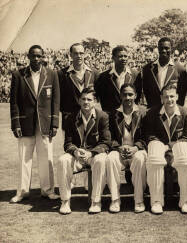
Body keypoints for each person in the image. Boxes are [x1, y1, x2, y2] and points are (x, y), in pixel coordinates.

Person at [10, 45, 60, 203]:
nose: (36, 59)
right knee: (25, 157)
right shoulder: (19, 75)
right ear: (28, 56)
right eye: (33, 56)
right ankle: (23, 191)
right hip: (25, 123)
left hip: (45, 122)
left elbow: (56, 100)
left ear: (43, 56)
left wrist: (54, 123)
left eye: (39, 56)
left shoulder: (51, 74)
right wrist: (16, 123)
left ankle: (48, 190)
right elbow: (14, 102)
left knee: (46, 156)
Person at [57, 88, 111, 214]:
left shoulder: (103, 116)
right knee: (62, 160)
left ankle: (96, 201)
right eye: (83, 99)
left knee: (101, 160)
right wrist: (75, 151)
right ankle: (65, 201)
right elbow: (68, 143)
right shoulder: (71, 117)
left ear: (95, 101)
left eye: (89, 99)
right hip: (77, 156)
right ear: (79, 101)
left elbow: (106, 142)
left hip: (93, 155)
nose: (86, 102)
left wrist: (91, 153)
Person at [144, 84, 187, 214]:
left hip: (177, 147)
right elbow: (150, 136)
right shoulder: (152, 113)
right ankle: (156, 201)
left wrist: (170, 146)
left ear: (177, 96)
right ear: (161, 98)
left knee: (184, 151)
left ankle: (186, 201)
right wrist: (163, 147)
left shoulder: (185, 112)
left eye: (172, 96)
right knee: (154, 151)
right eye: (166, 97)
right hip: (160, 147)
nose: (169, 99)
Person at [106, 83, 147, 213]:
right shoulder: (113, 114)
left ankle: (139, 200)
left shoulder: (143, 113)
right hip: (119, 151)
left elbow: (148, 136)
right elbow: (109, 137)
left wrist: (136, 147)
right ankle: (115, 199)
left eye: (130, 94)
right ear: (120, 96)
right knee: (111, 158)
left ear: (135, 95)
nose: (128, 97)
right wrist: (118, 147)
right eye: (125, 94)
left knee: (140, 159)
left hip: (137, 151)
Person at [135, 37, 187, 108]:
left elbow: (182, 94)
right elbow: (145, 90)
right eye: (161, 48)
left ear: (171, 49)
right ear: (158, 49)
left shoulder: (180, 69)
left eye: (166, 48)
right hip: (153, 111)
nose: (164, 50)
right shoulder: (147, 68)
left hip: (172, 111)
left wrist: (178, 110)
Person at [58, 43, 98, 131]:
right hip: (70, 118)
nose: (79, 56)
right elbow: (59, 97)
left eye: (81, 53)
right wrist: (66, 112)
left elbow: (98, 95)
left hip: (90, 116)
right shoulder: (62, 74)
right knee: (70, 144)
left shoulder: (94, 73)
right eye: (76, 53)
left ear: (85, 54)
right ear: (71, 55)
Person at [94, 45, 138, 114]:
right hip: (110, 117)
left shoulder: (135, 74)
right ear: (113, 58)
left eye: (125, 56)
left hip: (130, 115)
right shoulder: (103, 77)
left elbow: (137, 96)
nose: (123, 58)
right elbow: (100, 97)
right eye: (120, 56)